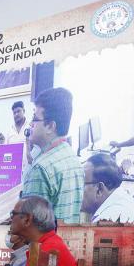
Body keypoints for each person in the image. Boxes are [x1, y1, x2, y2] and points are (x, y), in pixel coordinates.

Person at [22, 87, 84, 224]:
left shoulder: (41, 169)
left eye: (35, 119)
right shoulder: (71, 157)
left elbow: (29, 229)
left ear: (50, 126)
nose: (30, 124)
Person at [81, 153, 134, 223]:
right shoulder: (121, 198)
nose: (77, 190)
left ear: (99, 189)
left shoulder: (108, 220)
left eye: (81, 185)